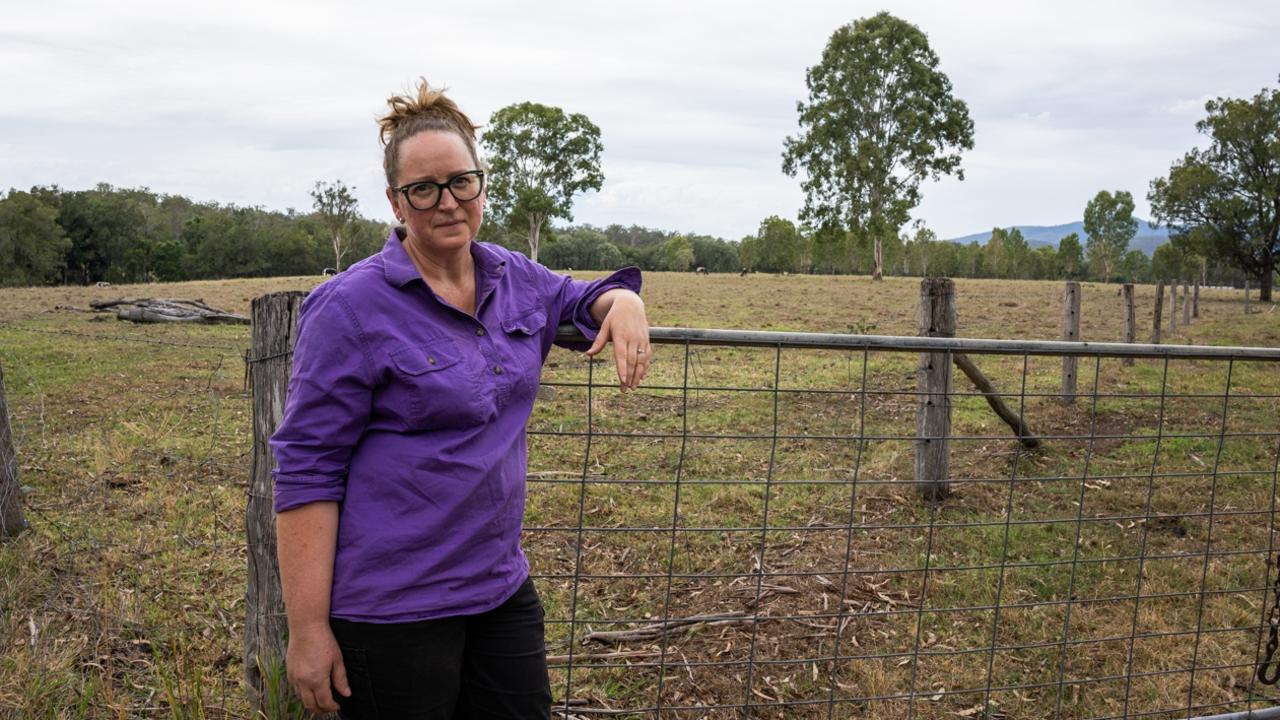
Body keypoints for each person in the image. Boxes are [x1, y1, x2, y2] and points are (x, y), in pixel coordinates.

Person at [269, 80, 650, 719]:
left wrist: (625, 301)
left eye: (460, 182)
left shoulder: (511, 274)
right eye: (424, 189)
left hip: (499, 588)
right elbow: (307, 470)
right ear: (396, 201)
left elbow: (578, 297)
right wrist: (308, 632)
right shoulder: (349, 310)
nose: (446, 202)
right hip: (392, 609)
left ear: (480, 183)